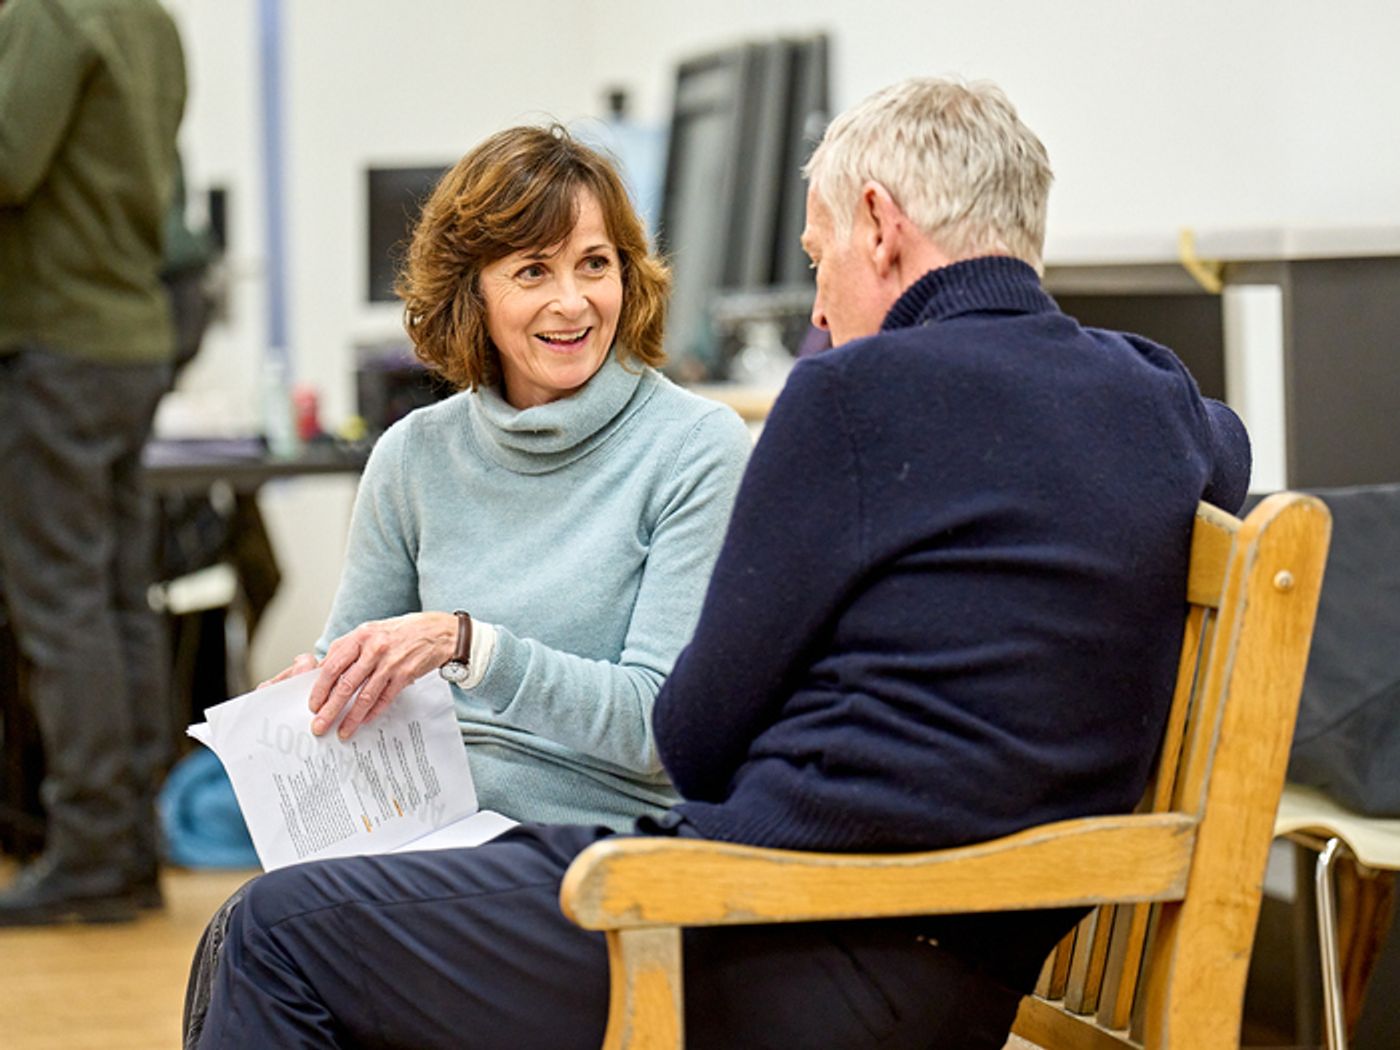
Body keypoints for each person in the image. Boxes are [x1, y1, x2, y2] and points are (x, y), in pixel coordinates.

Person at [188, 77, 1251, 1049]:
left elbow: (691, 740)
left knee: (270, 936)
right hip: (943, 945)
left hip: (772, 931)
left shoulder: (845, 400)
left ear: (879, 226)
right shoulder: (1155, 397)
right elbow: (1226, 453)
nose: (820, 308)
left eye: (817, 255)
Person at [261, 125, 752, 830]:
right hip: (432, 830)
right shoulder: (411, 455)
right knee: (263, 917)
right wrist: (307, 695)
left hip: (598, 842)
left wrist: (470, 646)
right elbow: (355, 666)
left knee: (266, 926)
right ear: (473, 296)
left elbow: (657, 726)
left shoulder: (694, 448)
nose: (574, 301)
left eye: (594, 264)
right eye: (532, 272)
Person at [0, 0, 186, 926]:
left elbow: (7, 160)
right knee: (117, 600)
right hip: (128, 338)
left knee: (62, 606)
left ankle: (89, 856)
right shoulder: (150, 19)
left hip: (55, 340)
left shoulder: (44, 11)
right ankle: (128, 846)